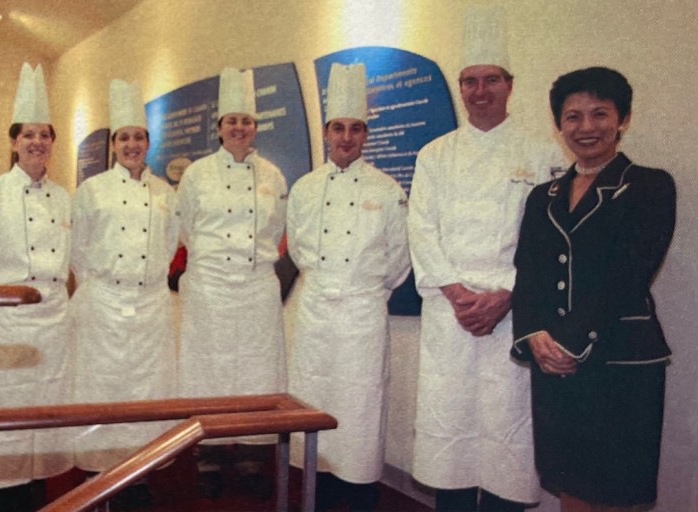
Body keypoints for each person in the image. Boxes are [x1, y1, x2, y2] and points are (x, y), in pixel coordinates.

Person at [407, 7, 568, 511]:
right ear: (461, 87)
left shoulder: (543, 155)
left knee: (508, 427)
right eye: (470, 81)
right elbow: (422, 228)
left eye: (491, 80)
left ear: (510, 85)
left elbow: (550, 243)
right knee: (449, 423)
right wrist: (457, 293)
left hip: (514, 311)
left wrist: (507, 294)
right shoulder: (435, 154)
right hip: (450, 312)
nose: (480, 91)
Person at [511, 67, 675, 512]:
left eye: (599, 113)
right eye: (573, 116)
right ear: (559, 124)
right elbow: (527, 273)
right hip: (553, 362)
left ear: (623, 119)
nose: (586, 127)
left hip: (620, 361)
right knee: (570, 482)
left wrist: (567, 341)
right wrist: (531, 334)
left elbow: (629, 274)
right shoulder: (542, 196)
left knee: (617, 489)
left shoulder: (649, 186)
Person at [285, 63, 410, 512]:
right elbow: (299, 249)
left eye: (356, 129)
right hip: (315, 311)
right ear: (326, 131)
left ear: (365, 134)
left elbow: (399, 260)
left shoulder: (388, 188)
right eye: (338, 127)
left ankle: (357, 498)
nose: (346, 137)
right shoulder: (304, 187)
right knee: (313, 399)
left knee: (361, 406)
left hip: (362, 315)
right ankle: (314, 497)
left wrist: (361, 290)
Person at [175, 67, 288, 501]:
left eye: (246, 121)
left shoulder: (273, 175)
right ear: (219, 128)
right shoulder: (196, 175)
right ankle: (208, 455)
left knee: (256, 373)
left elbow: (277, 227)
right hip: (209, 287)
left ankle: (250, 453)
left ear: (255, 127)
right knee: (210, 372)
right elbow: (184, 228)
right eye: (231, 121)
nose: (239, 128)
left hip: (257, 285)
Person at [0, 62, 73, 512]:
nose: (37, 142)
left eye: (44, 134)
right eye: (28, 134)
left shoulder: (65, 196)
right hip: (5, 322)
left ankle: (38, 493)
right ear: (13, 142)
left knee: (43, 413)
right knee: (3, 415)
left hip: (52, 320)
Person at [69, 78, 179, 508]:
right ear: (114, 144)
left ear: (148, 142)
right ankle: (99, 474)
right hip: (104, 304)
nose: (132, 144)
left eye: (139, 137)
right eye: (124, 138)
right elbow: (78, 251)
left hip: (150, 303)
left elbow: (170, 244)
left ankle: (139, 472)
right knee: (102, 389)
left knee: (144, 392)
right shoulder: (92, 191)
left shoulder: (165, 193)